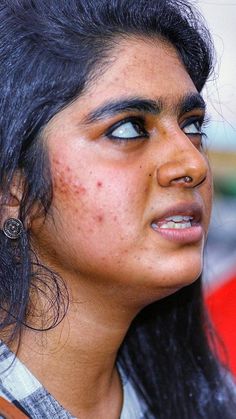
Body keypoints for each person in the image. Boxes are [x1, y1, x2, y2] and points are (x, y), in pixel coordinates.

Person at [0, 0, 235, 418]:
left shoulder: (205, 396)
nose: (194, 164)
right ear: (12, 191)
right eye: (128, 128)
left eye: (193, 125)